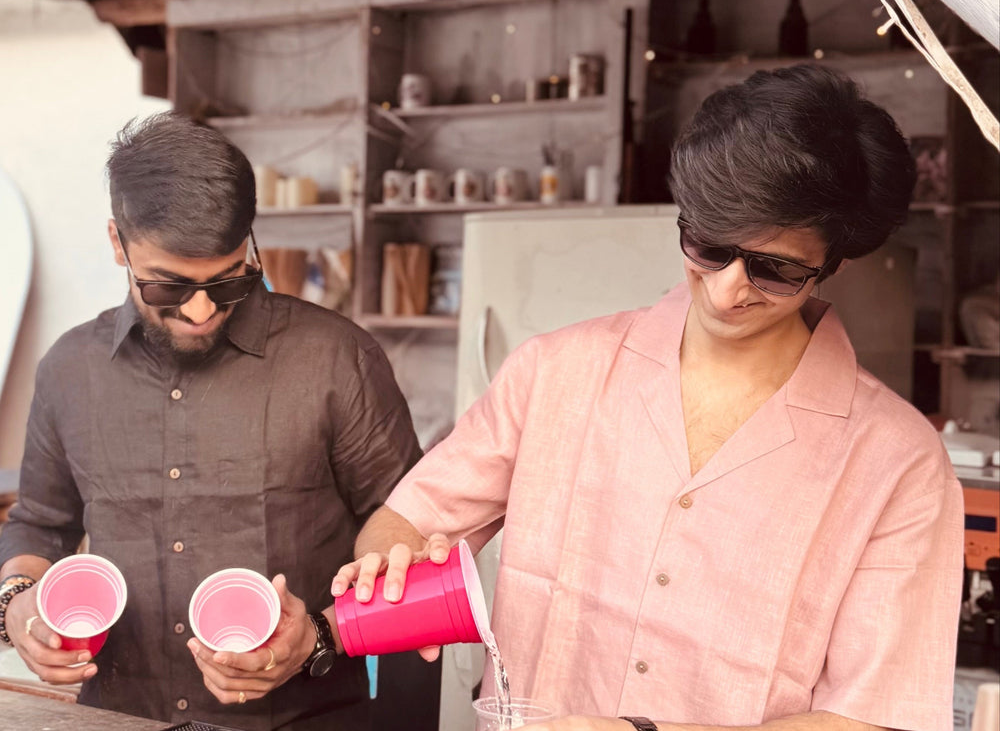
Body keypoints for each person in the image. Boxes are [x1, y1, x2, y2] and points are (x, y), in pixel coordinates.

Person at [333, 64, 964, 731]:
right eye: (708, 246)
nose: (726, 290)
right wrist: (390, 562)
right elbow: (410, 520)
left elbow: (869, 717)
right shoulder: (555, 371)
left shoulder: (899, 463)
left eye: (773, 269)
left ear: (829, 262)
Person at [0, 111, 423, 731]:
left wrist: (319, 640)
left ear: (249, 241)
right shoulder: (69, 368)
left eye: (226, 282)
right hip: (123, 716)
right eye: (168, 287)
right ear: (118, 243)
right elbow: (40, 524)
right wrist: (15, 607)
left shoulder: (336, 359)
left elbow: (413, 548)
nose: (200, 310)